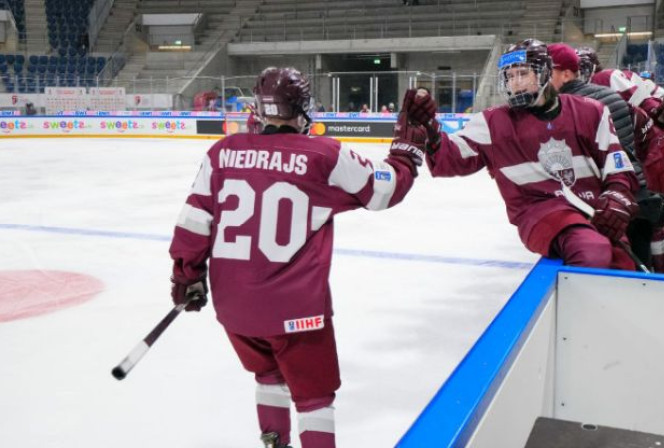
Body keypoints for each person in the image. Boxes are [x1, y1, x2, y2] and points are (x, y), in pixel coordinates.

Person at [168, 67, 422, 448]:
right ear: (303, 108)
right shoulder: (325, 155)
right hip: (298, 310)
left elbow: (193, 222)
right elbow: (384, 192)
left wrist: (186, 276)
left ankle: (274, 441)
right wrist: (407, 152)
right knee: (313, 396)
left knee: (267, 374)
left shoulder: (222, 153)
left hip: (236, 308)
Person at [409, 39, 639, 270]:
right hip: (541, 214)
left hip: (595, 208)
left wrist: (617, 196)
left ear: (546, 73)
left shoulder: (590, 111)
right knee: (591, 252)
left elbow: (617, 166)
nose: (515, 83)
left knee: (625, 266)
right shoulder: (492, 123)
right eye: (509, 76)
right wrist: (429, 127)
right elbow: (450, 159)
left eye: (522, 73)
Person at [551, 43, 664, 273]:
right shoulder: (613, 98)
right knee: (642, 281)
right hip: (638, 199)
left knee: (616, 283)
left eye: (546, 73)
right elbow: (645, 140)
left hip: (608, 211)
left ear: (567, 73)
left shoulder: (565, 108)